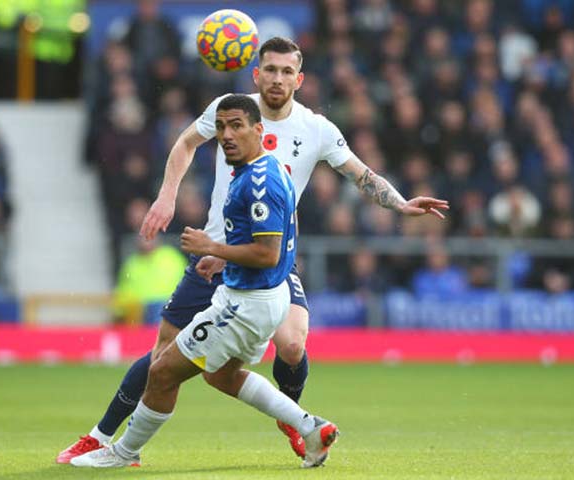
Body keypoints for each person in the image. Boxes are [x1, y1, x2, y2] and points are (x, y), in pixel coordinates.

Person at [57, 37, 448, 464]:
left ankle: (295, 422)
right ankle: (100, 436)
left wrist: (401, 203)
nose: (277, 78)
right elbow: (186, 142)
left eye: (286, 71)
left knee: (293, 345)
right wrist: (167, 196)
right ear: (255, 74)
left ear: (299, 80)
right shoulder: (233, 110)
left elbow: (361, 174)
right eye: (270, 70)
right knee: (162, 358)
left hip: (267, 259)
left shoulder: (315, 129)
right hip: (212, 258)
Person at [71, 94, 339, 468]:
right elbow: (257, 243)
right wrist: (220, 256)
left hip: (245, 304)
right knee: (221, 376)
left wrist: (211, 246)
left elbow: (268, 254)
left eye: (236, 127)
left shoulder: (258, 183)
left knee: (163, 370)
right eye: (221, 128)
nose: (226, 135)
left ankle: (123, 452)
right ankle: (311, 427)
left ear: (259, 130)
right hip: (257, 295)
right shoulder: (261, 170)